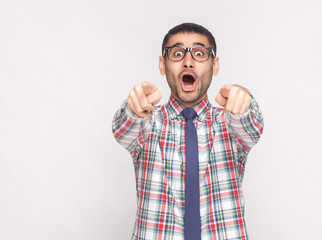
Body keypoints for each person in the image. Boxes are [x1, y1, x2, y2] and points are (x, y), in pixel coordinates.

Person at [112, 22, 264, 240]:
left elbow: (253, 126)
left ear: (215, 65)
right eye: (177, 53)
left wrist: (244, 101)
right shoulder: (148, 121)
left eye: (200, 53)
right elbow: (122, 129)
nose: (188, 62)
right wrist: (133, 108)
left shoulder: (230, 122)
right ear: (162, 65)